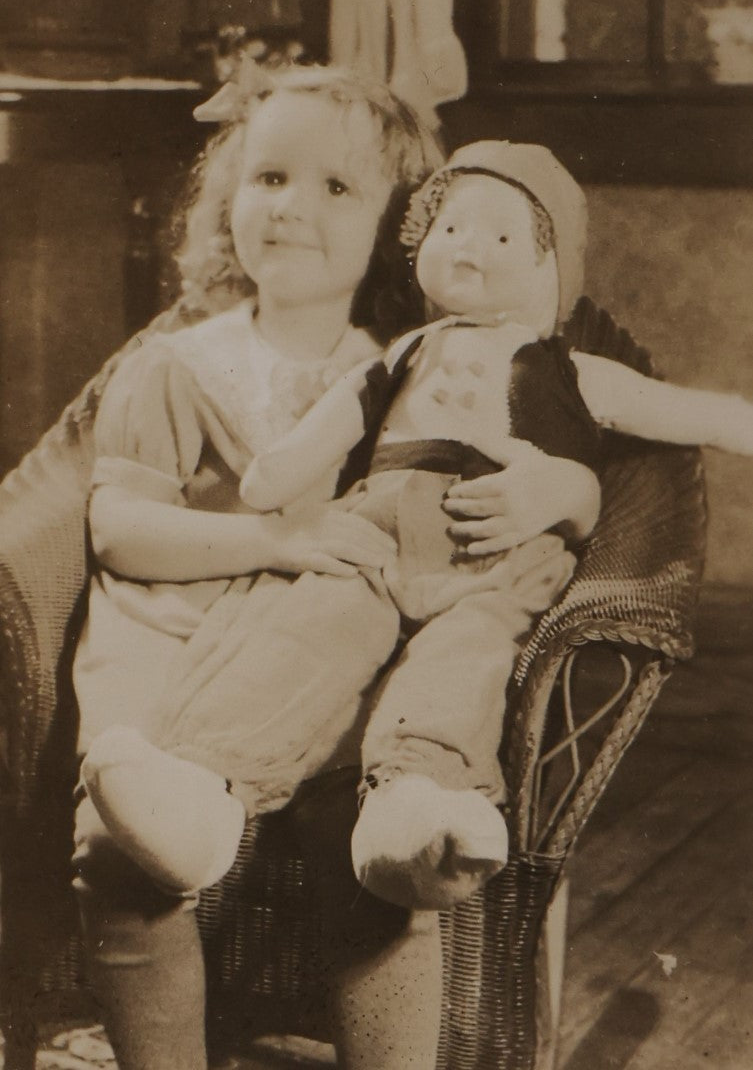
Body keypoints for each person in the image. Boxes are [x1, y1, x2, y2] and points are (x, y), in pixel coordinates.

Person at [71, 66, 600, 1070]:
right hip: (172, 633)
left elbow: (574, 459)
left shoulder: (412, 369)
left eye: (336, 189)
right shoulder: (178, 365)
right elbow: (119, 532)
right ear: (229, 198)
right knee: (121, 847)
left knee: (374, 839)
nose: (291, 210)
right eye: (269, 178)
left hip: (326, 649)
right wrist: (273, 541)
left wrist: (560, 493)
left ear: (401, 227)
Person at [82, 138, 753, 922]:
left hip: (491, 566)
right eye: (450, 229)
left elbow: (689, 413)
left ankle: (419, 811)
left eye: (501, 237)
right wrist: (276, 476)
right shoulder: (399, 356)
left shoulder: (570, 371)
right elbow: (325, 432)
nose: (468, 250)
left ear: (547, 269)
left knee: (459, 664)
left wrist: (568, 489)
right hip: (374, 542)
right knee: (305, 633)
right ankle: (198, 792)